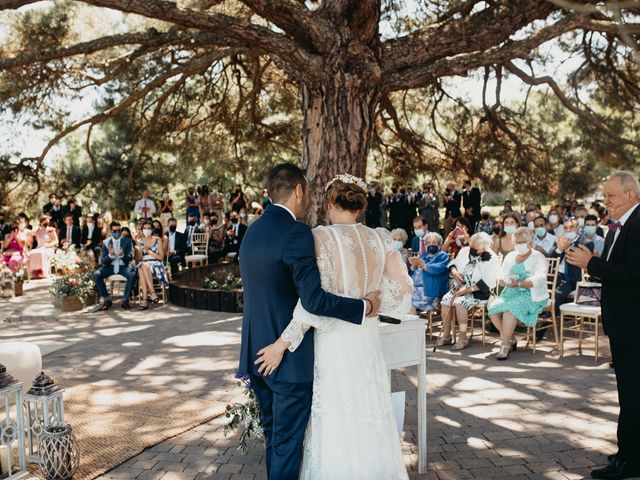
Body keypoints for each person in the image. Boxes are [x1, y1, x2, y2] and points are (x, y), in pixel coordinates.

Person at [247, 167, 409, 480]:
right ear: (360, 207)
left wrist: (282, 344)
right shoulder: (381, 238)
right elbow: (404, 292)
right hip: (367, 339)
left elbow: (312, 306)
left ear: (330, 205)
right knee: (369, 412)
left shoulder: (322, 237)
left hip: (334, 342)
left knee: (338, 418)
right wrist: (373, 305)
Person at [567, 171, 640, 480]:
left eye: (610, 195)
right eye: (604, 194)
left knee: (633, 394)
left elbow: (633, 275)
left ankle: (629, 461)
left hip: (635, 324)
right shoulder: (614, 228)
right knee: (629, 392)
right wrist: (591, 261)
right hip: (621, 323)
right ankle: (631, 451)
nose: (605, 200)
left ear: (630, 195)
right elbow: (612, 273)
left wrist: (591, 264)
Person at [488, 227, 549, 360]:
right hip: (511, 292)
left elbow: (541, 277)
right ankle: (511, 338)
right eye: (517, 242)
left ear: (530, 242)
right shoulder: (510, 256)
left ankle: (504, 346)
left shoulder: (538, 257)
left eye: (523, 242)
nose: (520, 245)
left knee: (510, 310)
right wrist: (504, 279)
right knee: (492, 310)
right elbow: (501, 273)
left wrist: (522, 283)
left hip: (531, 294)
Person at [438, 232, 501, 350]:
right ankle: (446, 336)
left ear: (484, 247)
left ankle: (463, 338)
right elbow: (453, 264)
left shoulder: (492, 258)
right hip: (460, 287)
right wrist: (455, 273)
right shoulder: (464, 250)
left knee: (460, 303)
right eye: (471, 244)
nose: (471, 248)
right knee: (445, 301)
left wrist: (466, 290)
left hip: (478, 291)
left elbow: (488, 282)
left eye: (475, 247)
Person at [552, 218, 593, 313]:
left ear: (578, 228)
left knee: (558, 293)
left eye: (571, 227)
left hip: (571, 278)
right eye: (565, 228)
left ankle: (550, 317)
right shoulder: (560, 240)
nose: (568, 230)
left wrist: (566, 247)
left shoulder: (586, 242)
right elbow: (552, 258)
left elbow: (578, 259)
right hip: (556, 277)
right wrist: (559, 250)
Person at [93, 222, 137, 310]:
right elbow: (103, 261)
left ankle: (125, 300)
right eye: (114, 231)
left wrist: (122, 255)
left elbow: (130, 257)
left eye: (119, 230)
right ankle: (106, 299)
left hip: (123, 266)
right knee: (96, 274)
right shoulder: (106, 242)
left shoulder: (127, 241)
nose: (117, 232)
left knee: (132, 274)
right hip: (110, 267)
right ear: (111, 231)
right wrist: (110, 255)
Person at [408, 232, 449, 312]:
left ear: (439, 245)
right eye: (428, 243)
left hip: (430, 289)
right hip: (415, 287)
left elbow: (438, 269)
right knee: (404, 295)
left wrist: (423, 265)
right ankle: (412, 320)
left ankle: (412, 319)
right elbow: (413, 272)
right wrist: (414, 265)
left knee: (410, 299)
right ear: (426, 245)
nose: (431, 244)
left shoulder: (442, 256)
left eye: (434, 242)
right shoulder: (423, 255)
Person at [136, 220, 169, 309]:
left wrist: (149, 252)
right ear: (142, 230)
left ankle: (145, 300)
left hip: (156, 263)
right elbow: (139, 259)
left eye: (149, 228)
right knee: (143, 266)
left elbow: (161, 257)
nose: (146, 230)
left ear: (152, 229)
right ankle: (152, 293)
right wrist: (138, 251)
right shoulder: (139, 241)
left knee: (143, 268)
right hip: (144, 264)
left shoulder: (157, 240)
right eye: (145, 228)